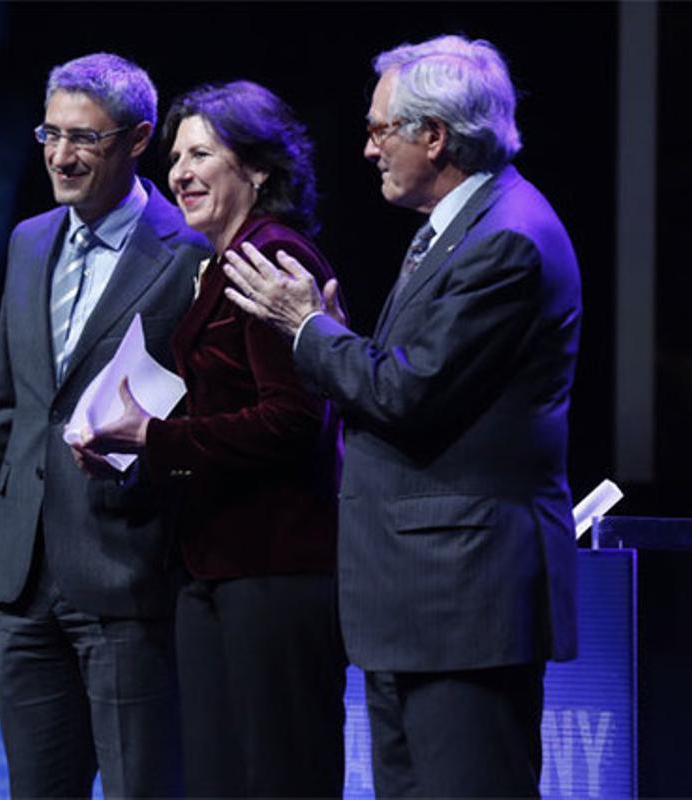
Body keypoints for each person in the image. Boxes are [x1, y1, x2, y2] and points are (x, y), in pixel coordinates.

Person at [223, 35, 581, 797]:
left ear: (435, 135)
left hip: (463, 603)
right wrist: (337, 341)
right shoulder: (462, 225)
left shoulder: (506, 239)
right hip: (421, 601)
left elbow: (407, 395)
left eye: (381, 129)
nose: (367, 149)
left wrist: (307, 331)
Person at [76, 80, 346, 798]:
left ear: (256, 169)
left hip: (275, 573)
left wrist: (155, 439)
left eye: (201, 153)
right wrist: (127, 447)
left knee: (277, 778)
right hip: (216, 568)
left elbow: (293, 421)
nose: (179, 172)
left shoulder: (271, 260)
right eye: (175, 156)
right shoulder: (223, 263)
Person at [0, 53, 209, 798]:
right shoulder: (29, 241)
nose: (60, 156)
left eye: (85, 139)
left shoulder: (190, 249)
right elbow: (4, 405)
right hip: (23, 577)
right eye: (50, 134)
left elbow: (204, 412)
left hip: (129, 573)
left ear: (137, 140)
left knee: (144, 787)